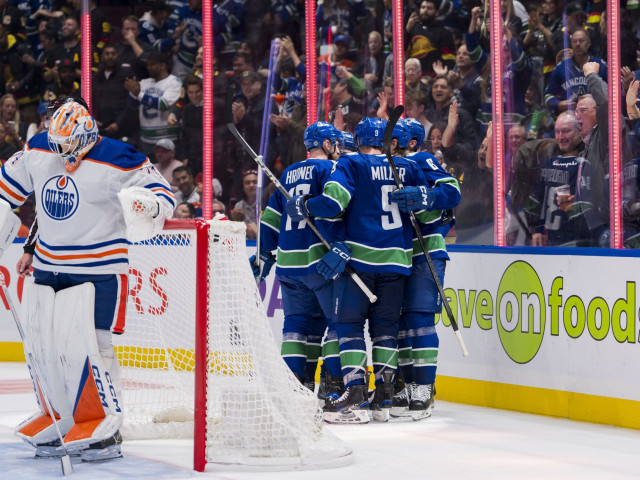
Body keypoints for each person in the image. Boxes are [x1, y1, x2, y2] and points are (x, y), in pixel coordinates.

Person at [5, 99, 174, 461]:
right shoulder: (39, 148)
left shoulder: (119, 156)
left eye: (65, 143)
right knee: (47, 346)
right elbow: (7, 191)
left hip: (99, 269)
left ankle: (104, 426)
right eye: (54, 140)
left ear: (85, 135)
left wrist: (148, 204)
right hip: (49, 266)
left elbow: (163, 194)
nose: (58, 149)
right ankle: (60, 416)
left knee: (91, 347)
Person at [285, 117, 430, 424]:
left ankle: (354, 395)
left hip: (359, 262)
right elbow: (430, 209)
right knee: (386, 330)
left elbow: (334, 203)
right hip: (398, 262)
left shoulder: (351, 164)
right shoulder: (406, 166)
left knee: (348, 326)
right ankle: (385, 397)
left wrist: (307, 206)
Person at [256, 121, 343, 397]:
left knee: (295, 325)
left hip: (288, 264)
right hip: (320, 261)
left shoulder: (289, 172)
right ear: (328, 145)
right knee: (337, 322)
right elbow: (337, 208)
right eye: (335, 144)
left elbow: (269, 219)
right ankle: (332, 386)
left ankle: (294, 387)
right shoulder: (331, 169)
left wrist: (265, 253)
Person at [389, 118, 460, 420]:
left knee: (419, 319)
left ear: (411, 142)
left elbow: (451, 190)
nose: (387, 143)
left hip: (426, 250)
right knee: (402, 324)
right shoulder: (382, 165)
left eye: (394, 139)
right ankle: (407, 384)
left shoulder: (422, 159)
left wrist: (424, 197)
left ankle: (424, 386)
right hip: (398, 254)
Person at [525, 112, 590, 247]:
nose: (561, 137)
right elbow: (533, 201)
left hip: (572, 242)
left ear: (579, 131)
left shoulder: (551, 164)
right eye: (557, 132)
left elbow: (532, 203)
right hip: (561, 242)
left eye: (566, 131)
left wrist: (535, 230)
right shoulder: (584, 163)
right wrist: (536, 231)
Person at [125, 50, 182, 160]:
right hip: (146, 139)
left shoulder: (174, 82)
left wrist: (138, 94)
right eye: (148, 65)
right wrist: (132, 91)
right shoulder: (144, 83)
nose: (149, 68)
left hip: (168, 138)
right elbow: (132, 105)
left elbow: (163, 104)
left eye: (152, 65)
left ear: (163, 65)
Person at [544, 29, 607, 116]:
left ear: (588, 44)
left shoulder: (601, 66)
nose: (577, 44)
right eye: (574, 41)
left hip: (596, 117)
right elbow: (548, 96)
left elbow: (615, 91)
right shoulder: (560, 68)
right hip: (570, 117)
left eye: (581, 41)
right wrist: (558, 104)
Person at [405, 0, 456, 77]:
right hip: (412, 76)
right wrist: (407, 29)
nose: (425, 10)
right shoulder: (411, 29)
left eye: (429, 8)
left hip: (433, 77)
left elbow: (450, 59)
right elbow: (398, 50)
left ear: (436, 12)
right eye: (423, 7)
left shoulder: (445, 33)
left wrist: (441, 76)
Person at [229, 169, 258, 240]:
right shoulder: (238, 206)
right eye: (247, 183)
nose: (251, 185)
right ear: (243, 187)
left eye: (255, 182)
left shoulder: (266, 205)